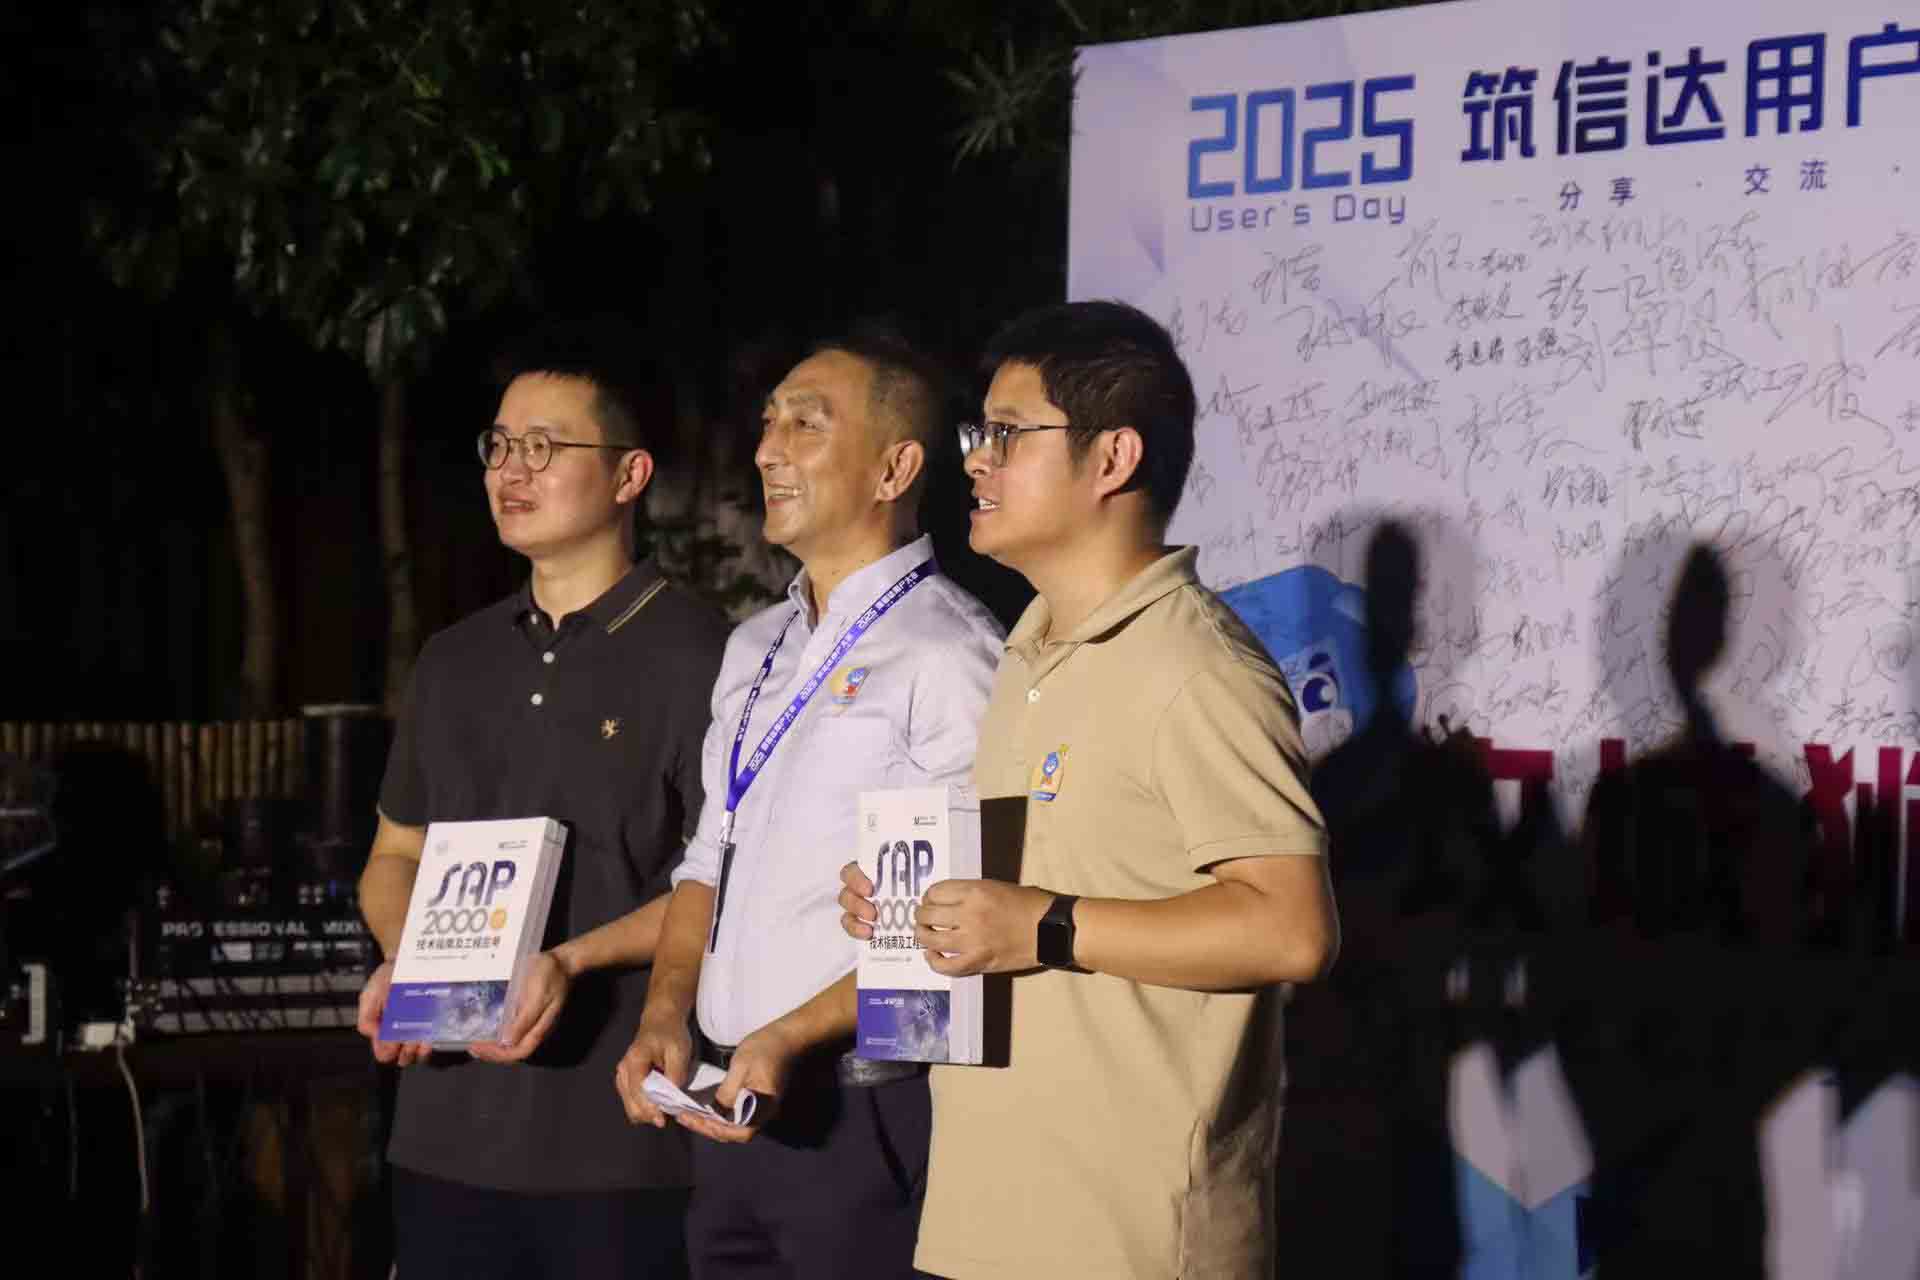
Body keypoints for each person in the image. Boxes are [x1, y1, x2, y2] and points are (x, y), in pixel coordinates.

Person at [839, 300, 1339, 1279]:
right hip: (983, 1222)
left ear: (1113, 457)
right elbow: (1041, 891)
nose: (975, 463)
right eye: (976, 435)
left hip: (1129, 1241)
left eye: (1006, 435)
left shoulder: (1196, 666)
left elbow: (1291, 930)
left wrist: (1047, 926)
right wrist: (916, 909)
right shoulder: (1028, 647)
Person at [613, 331, 1003, 1279]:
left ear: (894, 469)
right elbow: (706, 858)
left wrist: (790, 1036)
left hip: (865, 1108)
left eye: (805, 425)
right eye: (768, 422)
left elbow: (957, 926)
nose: (767, 450)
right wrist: (665, 1012)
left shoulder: (951, 653)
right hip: (729, 1100)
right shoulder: (756, 646)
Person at [354, 322, 728, 1280]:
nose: (510, 470)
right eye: (500, 445)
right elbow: (394, 855)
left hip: (617, 1143)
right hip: (442, 1137)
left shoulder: (706, 655)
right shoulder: (453, 659)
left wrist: (566, 959)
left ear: (630, 474)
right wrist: (409, 957)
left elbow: (721, 885)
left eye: (545, 446)